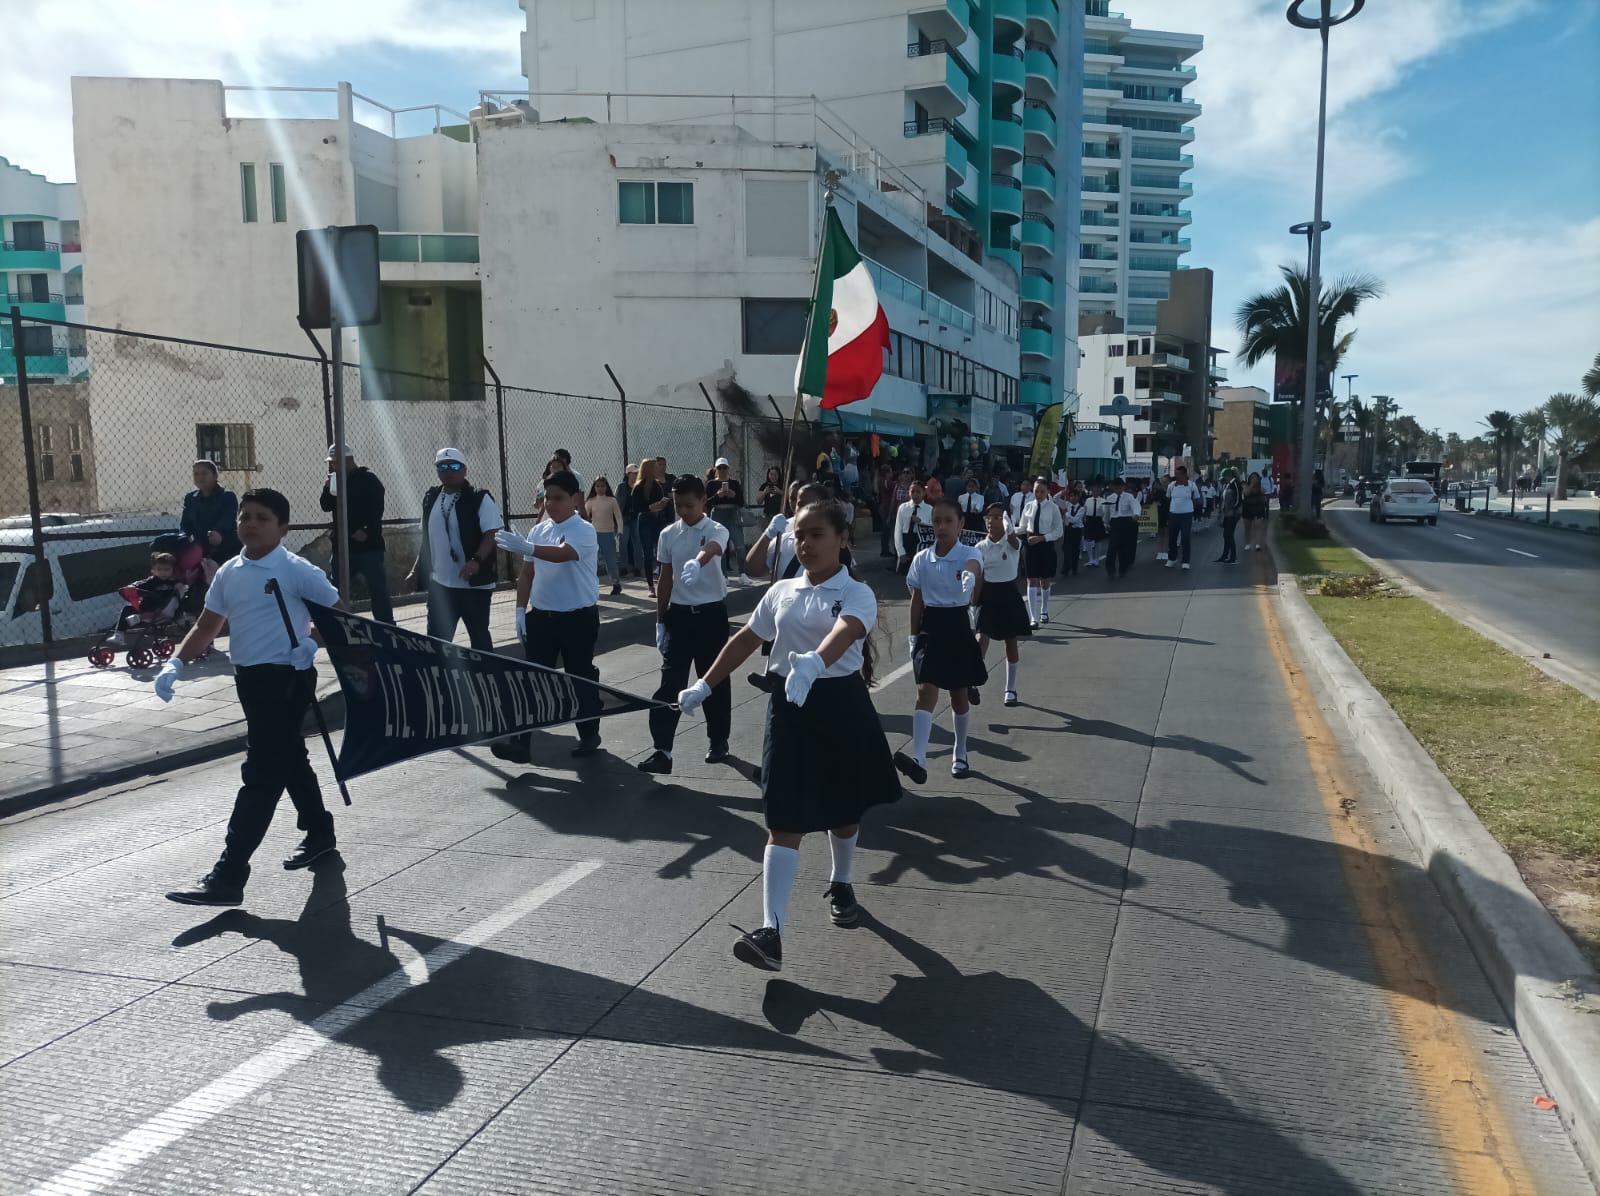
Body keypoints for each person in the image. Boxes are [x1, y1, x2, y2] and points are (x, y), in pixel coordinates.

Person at [679, 500, 898, 971]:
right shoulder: (781, 591)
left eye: (816, 534)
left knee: (843, 811)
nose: (806, 544)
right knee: (783, 817)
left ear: (842, 538)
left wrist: (816, 663)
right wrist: (704, 684)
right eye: (799, 535)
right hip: (788, 708)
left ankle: (841, 880)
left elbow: (846, 630)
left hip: (839, 704)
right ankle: (771, 932)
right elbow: (744, 641)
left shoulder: (856, 592)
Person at [157, 488, 342, 906]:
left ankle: (229, 874)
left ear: (283, 528)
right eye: (246, 517)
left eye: (262, 518)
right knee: (288, 757)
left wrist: (310, 642)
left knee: (261, 771)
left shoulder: (297, 570)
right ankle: (319, 832)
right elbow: (206, 625)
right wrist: (176, 663)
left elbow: (339, 617)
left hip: (289, 677)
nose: (251, 524)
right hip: (251, 681)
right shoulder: (229, 573)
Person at [494, 470, 604, 760]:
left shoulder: (583, 530)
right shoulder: (538, 529)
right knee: (532, 680)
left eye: (558, 498)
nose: (551, 504)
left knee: (580, 677)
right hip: (542, 618)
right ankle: (520, 743)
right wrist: (520, 610)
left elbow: (563, 554)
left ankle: (589, 733)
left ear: (574, 499)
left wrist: (528, 548)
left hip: (577, 618)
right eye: (547, 498)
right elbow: (528, 572)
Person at [640, 475, 733, 774]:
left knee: (713, 681)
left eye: (689, 505)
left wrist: (699, 561)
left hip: (711, 616)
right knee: (670, 684)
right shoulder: (668, 534)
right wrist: (660, 621)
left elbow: (715, 547)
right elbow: (665, 577)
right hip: (679, 616)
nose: (683, 511)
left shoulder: (716, 528)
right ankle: (662, 750)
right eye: (678, 505)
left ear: (703, 502)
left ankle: (718, 740)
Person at [898, 498, 986, 783]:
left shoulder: (969, 553)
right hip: (931, 627)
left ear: (961, 524)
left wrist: (970, 578)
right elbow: (916, 601)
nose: (942, 526)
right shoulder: (922, 559)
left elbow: (973, 566)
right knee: (925, 689)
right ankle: (919, 758)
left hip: (957, 624)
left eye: (949, 521)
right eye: (937, 521)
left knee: (958, 695)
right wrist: (913, 637)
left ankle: (960, 751)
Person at [406, 447, 502, 651]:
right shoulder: (431, 497)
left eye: (454, 466)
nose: (448, 470)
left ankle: (485, 679)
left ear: (464, 469)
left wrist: (476, 560)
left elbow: (492, 533)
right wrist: (416, 569)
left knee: (479, 640)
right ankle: (438, 682)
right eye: (442, 466)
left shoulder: (479, 497)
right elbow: (427, 539)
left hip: (473, 586)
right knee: (436, 643)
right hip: (441, 585)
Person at [318, 443, 392, 623]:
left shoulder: (368, 480)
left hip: (368, 546)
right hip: (343, 546)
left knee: (377, 589)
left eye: (335, 462)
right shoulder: (336, 480)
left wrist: (367, 531)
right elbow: (325, 506)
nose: (333, 466)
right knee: (337, 588)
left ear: (347, 460)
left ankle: (386, 626)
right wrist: (328, 488)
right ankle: (339, 623)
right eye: (332, 462)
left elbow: (376, 509)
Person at [974, 503, 1029, 707]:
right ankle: (974, 680)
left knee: (1010, 642)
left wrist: (1010, 529)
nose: (991, 521)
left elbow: (1015, 543)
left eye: (997, 517)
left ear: (1004, 520)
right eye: (989, 517)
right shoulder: (980, 547)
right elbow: (977, 576)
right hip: (988, 595)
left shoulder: (1012, 543)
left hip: (1008, 594)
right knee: (981, 638)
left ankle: (1010, 688)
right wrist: (973, 602)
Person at [180, 459, 240, 582]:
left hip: (224, 546)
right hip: (199, 547)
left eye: (204, 473)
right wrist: (183, 537)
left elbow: (228, 519)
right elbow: (185, 524)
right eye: (196, 474)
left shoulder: (227, 496)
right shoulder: (191, 498)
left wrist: (218, 533)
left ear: (215, 475)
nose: (200, 477)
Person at [110, 551, 185, 644]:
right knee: (127, 608)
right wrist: (131, 587)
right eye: (159, 569)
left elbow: (180, 594)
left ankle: (139, 618)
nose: (163, 572)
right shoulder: (151, 581)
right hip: (147, 608)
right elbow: (139, 584)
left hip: (163, 611)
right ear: (153, 570)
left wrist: (179, 587)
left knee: (161, 598)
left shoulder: (175, 583)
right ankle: (119, 634)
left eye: (167, 569)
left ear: (173, 570)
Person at [1017, 477, 1064, 627]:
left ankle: (1044, 610)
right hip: (1030, 545)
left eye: (1042, 491)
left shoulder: (1053, 508)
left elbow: (1058, 531)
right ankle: (1033, 617)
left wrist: (1043, 538)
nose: (1038, 494)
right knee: (1031, 579)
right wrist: (1009, 529)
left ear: (1047, 492)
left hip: (1046, 546)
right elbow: (1023, 527)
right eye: (1036, 491)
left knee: (1045, 580)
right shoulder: (1028, 506)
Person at [631, 459, 668, 598]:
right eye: (654, 467)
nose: (657, 469)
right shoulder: (638, 487)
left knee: (660, 553)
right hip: (645, 521)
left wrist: (662, 504)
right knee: (648, 554)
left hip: (657, 520)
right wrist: (651, 507)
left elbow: (661, 504)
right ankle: (650, 586)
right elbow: (636, 508)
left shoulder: (657, 486)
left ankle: (661, 582)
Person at [707, 457, 747, 580]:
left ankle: (743, 573)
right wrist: (717, 496)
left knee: (740, 545)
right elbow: (706, 503)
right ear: (716, 469)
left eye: (724, 467)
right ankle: (724, 576)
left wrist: (733, 495)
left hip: (733, 513)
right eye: (719, 467)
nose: (722, 470)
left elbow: (741, 502)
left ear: (728, 468)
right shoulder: (711, 484)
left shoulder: (734, 483)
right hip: (718, 513)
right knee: (721, 546)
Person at [586, 476, 624, 595]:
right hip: (594, 535)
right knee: (593, 561)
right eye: (597, 486)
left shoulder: (612, 500)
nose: (600, 488)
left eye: (602, 486)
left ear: (606, 487)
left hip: (608, 534)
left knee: (611, 560)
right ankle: (591, 585)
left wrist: (620, 530)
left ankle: (615, 583)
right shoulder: (590, 501)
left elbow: (618, 516)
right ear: (594, 487)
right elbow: (585, 516)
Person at [893, 479, 934, 574]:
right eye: (912, 491)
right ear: (909, 493)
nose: (915, 494)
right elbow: (898, 530)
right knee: (905, 574)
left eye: (918, 492)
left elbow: (932, 529)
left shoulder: (929, 509)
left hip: (920, 542)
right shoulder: (903, 507)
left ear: (924, 493)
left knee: (920, 575)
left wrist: (921, 522)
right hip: (906, 540)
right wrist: (901, 552)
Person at [1165, 464, 1200, 571]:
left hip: (1186, 515)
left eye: (1178, 474)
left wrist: (1191, 510)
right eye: (1176, 474)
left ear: (1184, 474)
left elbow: (1196, 499)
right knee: (1172, 538)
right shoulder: (1171, 485)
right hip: (1174, 514)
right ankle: (1172, 558)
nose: (1176, 475)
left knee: (1185, 538)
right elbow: (1168, 498)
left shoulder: (1192, 485)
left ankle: (1185, 561)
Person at [1105, 477, 1140, 580]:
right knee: (1112, 547)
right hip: (1115, 523)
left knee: (1123, 548)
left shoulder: (1129, 497)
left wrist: (1136, 514)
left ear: (1123, 487)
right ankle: (1110, 570)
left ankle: (1122, 569)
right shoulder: (1110, 498)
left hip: (1126, 522)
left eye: (1119, 488)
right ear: (1113, 488)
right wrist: (1106, 523)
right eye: (1116, 488)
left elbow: (1136, 505)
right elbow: (1107, 511)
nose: (1118, 490)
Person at [1216, 469, 1243, 564]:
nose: (1224, 480)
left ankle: (1233, 557)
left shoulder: (1235, 484)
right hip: (1227, 514)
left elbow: (1239, 499)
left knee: (1229, 535)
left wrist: (1232, 508)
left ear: (1229, 476)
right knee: (1226, 535)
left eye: (1225, 478)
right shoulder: (1227, 485)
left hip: (1233, 514)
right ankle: (1224, 556)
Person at [1059, 485, 1085, 578]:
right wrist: (1062, 492)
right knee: (1066, 550)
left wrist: (1066, 513)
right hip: (1068, 530)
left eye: (1075, 496)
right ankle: (1065, 569)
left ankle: (1074, 568)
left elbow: (1075, 520)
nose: (1073, 498)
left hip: (1076, 530)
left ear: (1079, 497)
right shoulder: (1067, 504)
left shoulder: (1081, 508)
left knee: (1075, 550)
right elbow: (1055, 499)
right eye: (1071, 496)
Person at [1083, 482, 1108, 569]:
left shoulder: (1103, 501)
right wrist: (1083, 518)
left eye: (1097, 491)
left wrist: (1105, 522)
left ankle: (1096, 559)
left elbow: (1105, 512)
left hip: (1098, 521)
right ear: (1091, 491)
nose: (1095, 492)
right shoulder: (1088, 500)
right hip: (1089, 520)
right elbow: (1084, 510)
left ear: (1100, 492)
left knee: (1097, 541)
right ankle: (1090, 559)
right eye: (1094, 491)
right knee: (1088, 540)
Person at [1242, 472, 1268, 552]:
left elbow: (1263, 492)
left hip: (1258, 508)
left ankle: (1258, 544)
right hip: (1247, 508)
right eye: (1252, 478)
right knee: (1247, 527)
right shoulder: (1246, 485)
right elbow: (1246, 493)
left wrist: (1258, 486)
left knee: (1258, 526)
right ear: (1249, 479)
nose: (1254, 479)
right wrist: (1252, 485)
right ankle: (1248, 544)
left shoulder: (1260, 486)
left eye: (1255, 477)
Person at [1150, 474, 1170, 563]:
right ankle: (1160, 552)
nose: (1164, 483)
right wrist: (1156, 503)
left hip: (1169, 514)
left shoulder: (1171, 490)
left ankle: (1165, 552)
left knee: (1166, 533)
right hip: (1159, 514)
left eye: (1165, 482)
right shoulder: (1158, 492)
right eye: (1162, 482)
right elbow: (1153, 502)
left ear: (1168, 482)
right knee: (1160, 533)